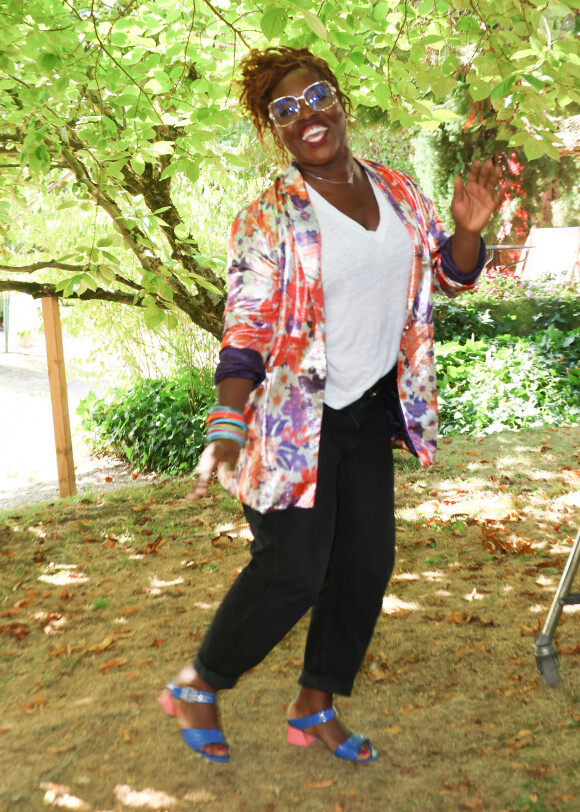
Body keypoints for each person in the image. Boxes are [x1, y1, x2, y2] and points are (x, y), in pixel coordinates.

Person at [158, 46, 501, 764]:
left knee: (366, 565)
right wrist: (225, 427)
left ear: (339, 99)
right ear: (272, 131)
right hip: (289, 423)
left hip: (368, 411)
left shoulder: (400, 191)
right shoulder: (267, 217)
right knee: (293, 571)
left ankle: (314, 705)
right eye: (285, 110)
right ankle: (199, 682)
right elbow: (245, 329)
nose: (307, 115)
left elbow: (446, 274)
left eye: (317, 96)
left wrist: (468, 230)